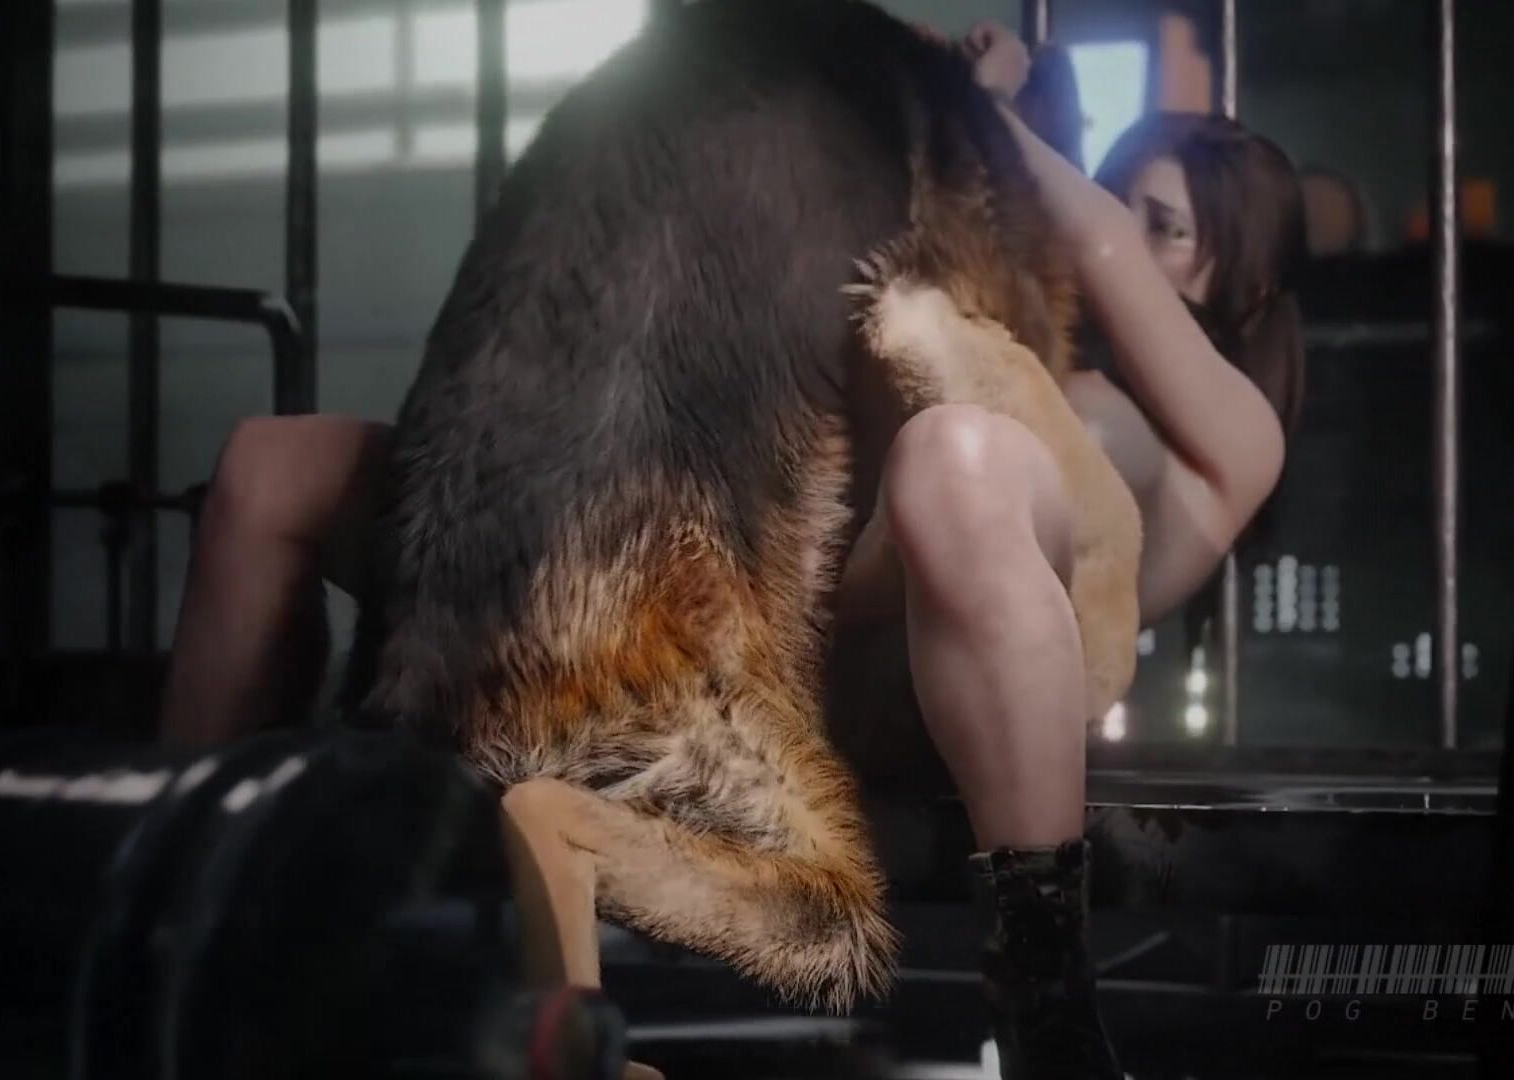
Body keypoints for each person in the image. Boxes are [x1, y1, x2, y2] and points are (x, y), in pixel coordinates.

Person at [160, 18, 1305, 1079]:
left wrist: (962, 98)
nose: (1118, 232)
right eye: (1120, 194)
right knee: (272, 466)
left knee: (960, 454)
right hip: (709, 592)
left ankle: (1045, 989)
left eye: (1168, 227)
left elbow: (1091, 238)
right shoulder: (995, 326)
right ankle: (167, 896)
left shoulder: (1219, 450)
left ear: (1237, 282)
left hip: (901, 681)